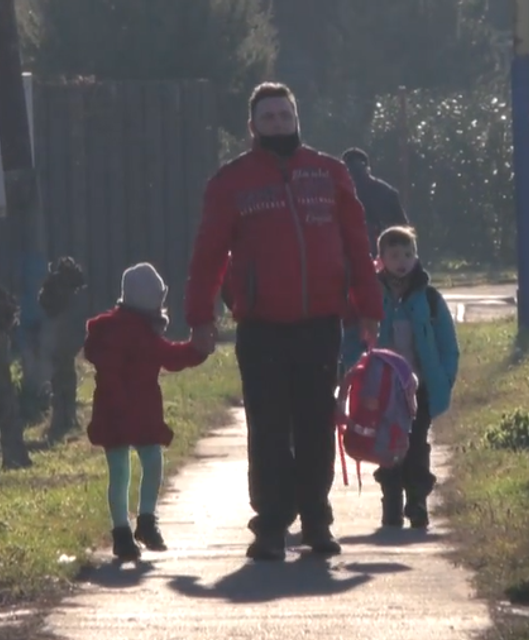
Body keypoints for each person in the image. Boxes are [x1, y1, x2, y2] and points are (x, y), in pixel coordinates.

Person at [184, 82, 383, 561]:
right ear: (252, 126)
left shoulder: (329, 173)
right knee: (269, 427)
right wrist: (200, 318)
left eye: (285, 114)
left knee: (316, 424)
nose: (278, 123)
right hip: (261, 326)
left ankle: (316, 519)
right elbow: (208, 254)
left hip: (319, 323)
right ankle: (271, 524)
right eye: (268, 117)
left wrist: (369, 309)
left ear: (297, 117)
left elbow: (358, 244)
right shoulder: (231, 181)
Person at [84, 262, 210, 562]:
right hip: (131, 410)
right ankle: (142, 522)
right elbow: (170, 356)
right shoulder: (134, 332)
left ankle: (126, 532)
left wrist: (195, 351)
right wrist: (197, 351)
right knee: (150, 463)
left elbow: (165, 355)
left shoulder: (129, 330)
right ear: (151, 300)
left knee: (121, 473)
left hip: (121, 410)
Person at [340, 225, 459, 529]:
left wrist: (443, 380)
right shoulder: (368, 297)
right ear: (381, 259)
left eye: (408, 253)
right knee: (386, 445)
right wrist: (355, 373)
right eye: (394, 255)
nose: (402, 260)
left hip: (418, 388)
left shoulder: (429, 298)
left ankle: (417, 501)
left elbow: (447, 345)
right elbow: (353, 338)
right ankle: (391, 499)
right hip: (381, 390)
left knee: (416, 443)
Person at [341, 148, 409, 257]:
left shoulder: (336, 193)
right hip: (382, 254)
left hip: (372, 254)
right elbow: (404, 230)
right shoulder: (387, 192)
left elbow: (403, 229)